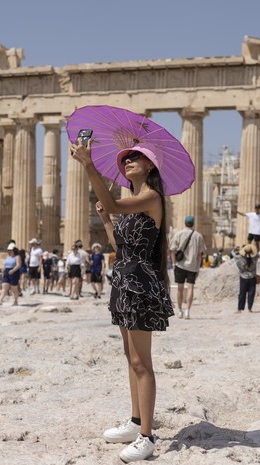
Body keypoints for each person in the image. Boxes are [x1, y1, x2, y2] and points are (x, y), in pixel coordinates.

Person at [71, 138, 174, 463]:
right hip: (124, 280)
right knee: (130, 358)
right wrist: (104, 220)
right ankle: (134, 422)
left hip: (141, 284)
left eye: (135, 157)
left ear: (150, 166)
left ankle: (147, 436)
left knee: (143, 363)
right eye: (125, 159)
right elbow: (120, 241)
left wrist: (89, 164)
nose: (127, 161)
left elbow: (116, 207)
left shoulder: (152, 197)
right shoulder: (134, 200)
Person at [169, 215, 207, 319]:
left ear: (185, 223)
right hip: (193, 266)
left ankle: (180, 310)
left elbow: (172, 250)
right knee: (190, 289)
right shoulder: (198, 236)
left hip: (180, 265)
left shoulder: (178, 234)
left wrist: (173, 263)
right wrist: (198, 267)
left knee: (180, 289)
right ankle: (187, 311)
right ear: (193, 223)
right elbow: (201, 254)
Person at [233, 243, 258, 313]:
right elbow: (256, 253)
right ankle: (249, 308)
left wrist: (235, 250)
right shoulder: (255, 258)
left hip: (243, 277)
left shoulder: (240, 259)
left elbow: (234, 255)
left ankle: (239, 309)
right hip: (252, 277)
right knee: (251, 293)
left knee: (242, 293)